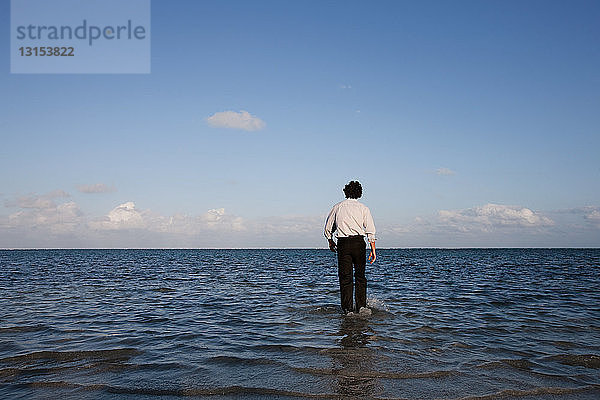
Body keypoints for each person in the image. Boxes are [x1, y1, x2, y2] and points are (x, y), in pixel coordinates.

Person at [324, 181, 376, 315]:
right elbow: (370, 230)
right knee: (360, 276)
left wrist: (330, 241)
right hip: (359, 243)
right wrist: (373, 249)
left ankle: (348, 309)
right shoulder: (364, 208)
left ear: (346, 192)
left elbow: (328, 228)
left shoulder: (338, 207)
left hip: (343, 244)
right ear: (359, 193)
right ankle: (361, 307)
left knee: (345, 277)